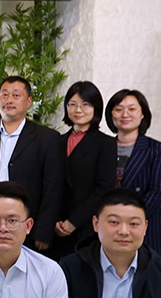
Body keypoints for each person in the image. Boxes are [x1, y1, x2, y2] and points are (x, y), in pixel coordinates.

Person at [0, 76, 65, 251]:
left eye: (16, 95)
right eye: (4, 95)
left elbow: (53, 188)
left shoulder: (47, 138)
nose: (8, 100)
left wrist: (43, 231)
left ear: (28, 101)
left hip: (27, 223)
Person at [49, 81, 117, 260]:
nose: (78, 110)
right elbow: (49, 185)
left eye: (85, 104)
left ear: (96, 108)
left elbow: (104, 189)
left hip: (86, 227)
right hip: (55, 228)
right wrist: (54, 220)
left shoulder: (106, 144)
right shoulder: (55, 141)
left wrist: (73, 222)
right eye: (72, 104)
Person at [106, 89, 161, 256]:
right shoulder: (103, 147)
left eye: (132, 109)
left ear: (142, 114)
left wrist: (130, 221)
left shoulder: (155, 149)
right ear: (111, 114)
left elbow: (157, 192)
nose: (125, 114)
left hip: (145, 229)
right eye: (118, 109)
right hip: (108, 228)